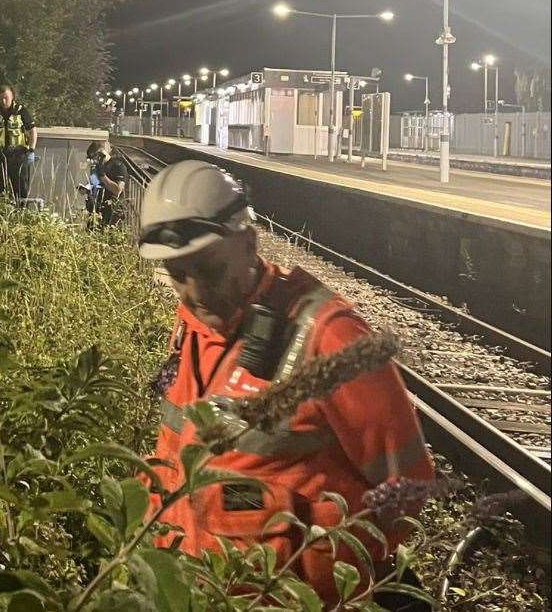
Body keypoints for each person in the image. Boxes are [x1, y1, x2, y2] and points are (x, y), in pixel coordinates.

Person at [137, 160, 433, 607]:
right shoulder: (189, 332)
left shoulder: (329, 337)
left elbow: (407, 488)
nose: (194, 292)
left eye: (210, 269)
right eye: (179, 274)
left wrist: (320, 572)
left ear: (249, 242)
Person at [0, 84, 37, 203]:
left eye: (6, 97)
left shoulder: (21, 111)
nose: (3, 101)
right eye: (1, 98)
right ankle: (0, 211)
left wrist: (31, 150)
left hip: (17, 154)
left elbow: (33, 131)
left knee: (20, 188)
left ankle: (21, 214)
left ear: (12, 97)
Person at [80, 140, 126, 227]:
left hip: (110, 214)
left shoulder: (118, 166)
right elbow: (94, 184)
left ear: (100, 154)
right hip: (95, 213)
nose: (93, 161)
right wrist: (86, 189)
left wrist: (102, 176)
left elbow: (117, 190)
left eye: (94, 157)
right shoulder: (96, 167)